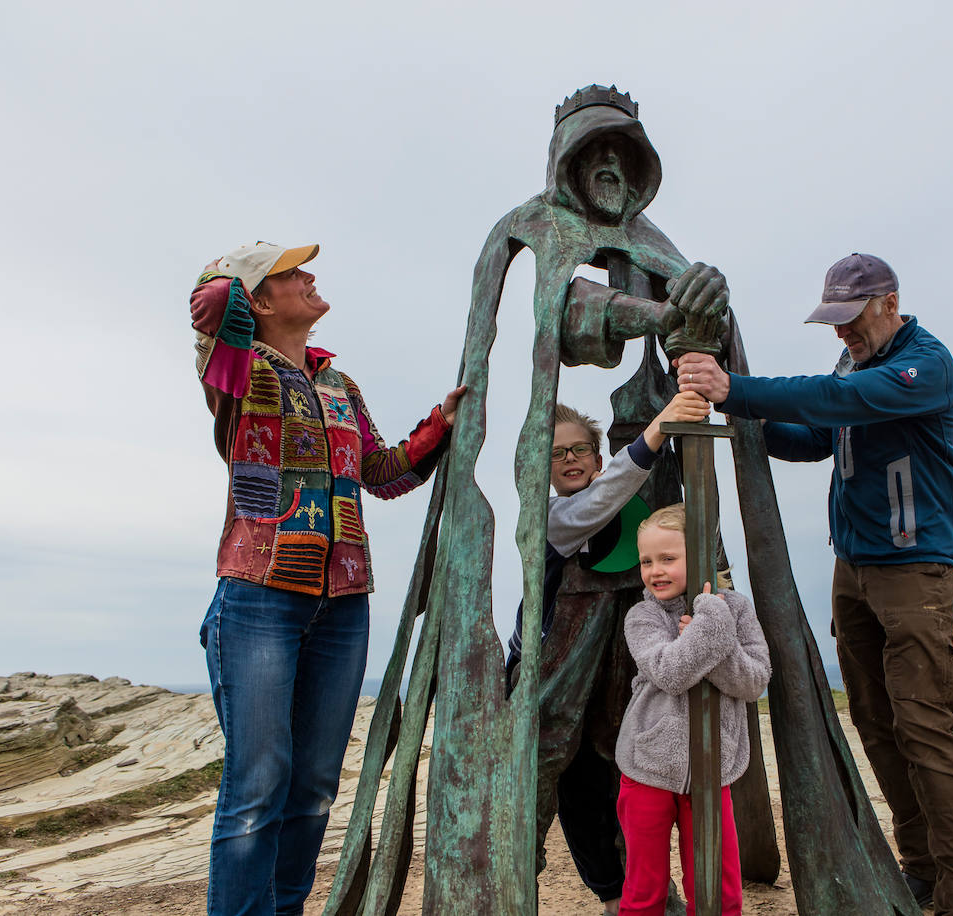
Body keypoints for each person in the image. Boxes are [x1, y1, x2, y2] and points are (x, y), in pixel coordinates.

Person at [675, 253, 953, 916]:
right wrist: (743, 424)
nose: (840, 335)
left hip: (916, 571)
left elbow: (838, 402)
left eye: (850, 319)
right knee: (879, 726)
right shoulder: (853, 361)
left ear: (889, 302)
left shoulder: (926, 365)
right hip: (853, 569)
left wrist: (735, 388)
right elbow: (817, 436)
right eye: (833, 322)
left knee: (925, 729)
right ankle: (921, 872)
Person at [188, 241, 464, 916]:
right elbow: (210, 304)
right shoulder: (235, 368)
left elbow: (384, 474)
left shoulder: (341, 386)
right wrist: (240, 275)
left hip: (344, 603)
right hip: (257, 595)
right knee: (257, 785)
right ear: (256, 300)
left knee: (313, 786)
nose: (311, 278)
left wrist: (439, 428)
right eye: (290, 274)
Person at [506, 391, 711, 914]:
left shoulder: (637, 519)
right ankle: (612, 894)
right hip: (555, 671)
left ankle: (643, 891)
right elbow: (602, 499)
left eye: (579, 450)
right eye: (556, 454)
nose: (570, 459)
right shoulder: (551, 516)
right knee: (571, 785)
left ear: (598, 458)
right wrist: (658, 430)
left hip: (620, 669)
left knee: (626, 780)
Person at [614, 504, 771, 916]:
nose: (655, 571)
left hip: (713, 768)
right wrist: (707, 632)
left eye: (668, 558)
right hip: (647, 764)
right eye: (647, 561)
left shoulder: (734, 608)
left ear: (700, 555)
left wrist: (715, 628)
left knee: (718, 891)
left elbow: (754, 682)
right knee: (645, 890)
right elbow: (669, 672)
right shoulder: (642, 616)